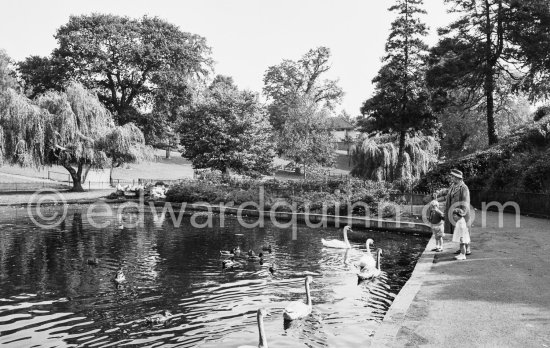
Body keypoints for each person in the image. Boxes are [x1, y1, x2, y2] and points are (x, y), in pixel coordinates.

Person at [444, 169, 471, 255]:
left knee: (464, 231)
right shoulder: (453, 186)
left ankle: (467, 248)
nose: (451, 178)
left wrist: (462, 212)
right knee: (459, 231)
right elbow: (448, 194)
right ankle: (462, 248)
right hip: (454, 213)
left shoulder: (464, 188)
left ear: (458, 178)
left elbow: (465, 201)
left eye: (453, 177)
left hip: (460, 213)